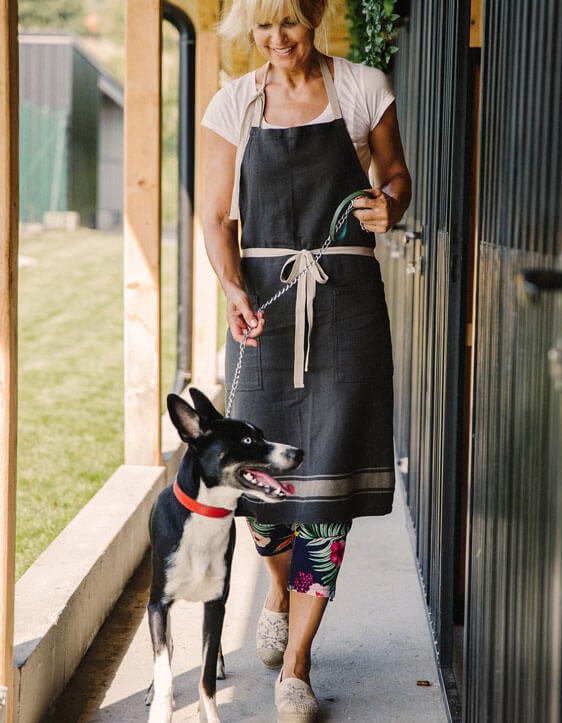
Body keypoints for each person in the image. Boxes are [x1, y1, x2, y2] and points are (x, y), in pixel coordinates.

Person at [201, 0, 411, 719]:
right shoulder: (233, 104)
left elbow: (396, 176)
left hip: (347, 306)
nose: (277, 38)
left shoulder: (362, 87)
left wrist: (390, 205)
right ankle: (278, 590)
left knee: (328, 486)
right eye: (263, 26)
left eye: (289, 21)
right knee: (261, 489)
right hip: (264, 306)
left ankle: (297, 663)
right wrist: (232, 288)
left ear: (314, 15)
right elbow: (215, 217)